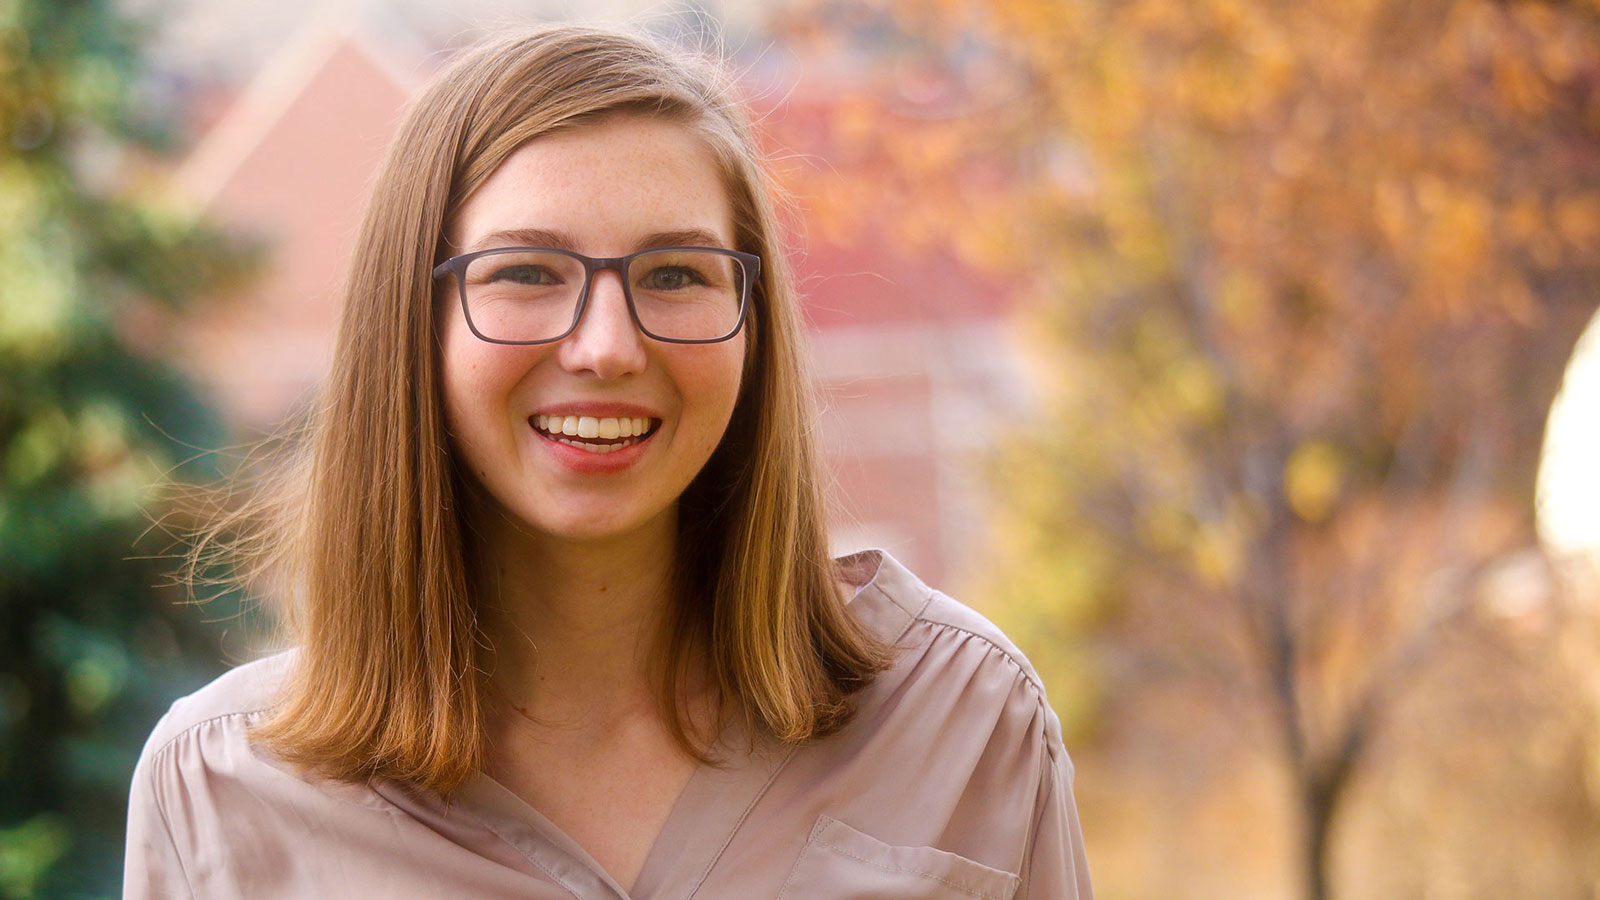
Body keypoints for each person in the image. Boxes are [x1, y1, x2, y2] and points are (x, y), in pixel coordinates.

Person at [124, 24, 1093, 900]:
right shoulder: (218, 795)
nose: (605, 347)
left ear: (753, 328)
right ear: (408, 326)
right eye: (525, 273)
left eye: (674, 274)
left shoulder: (964, 723)